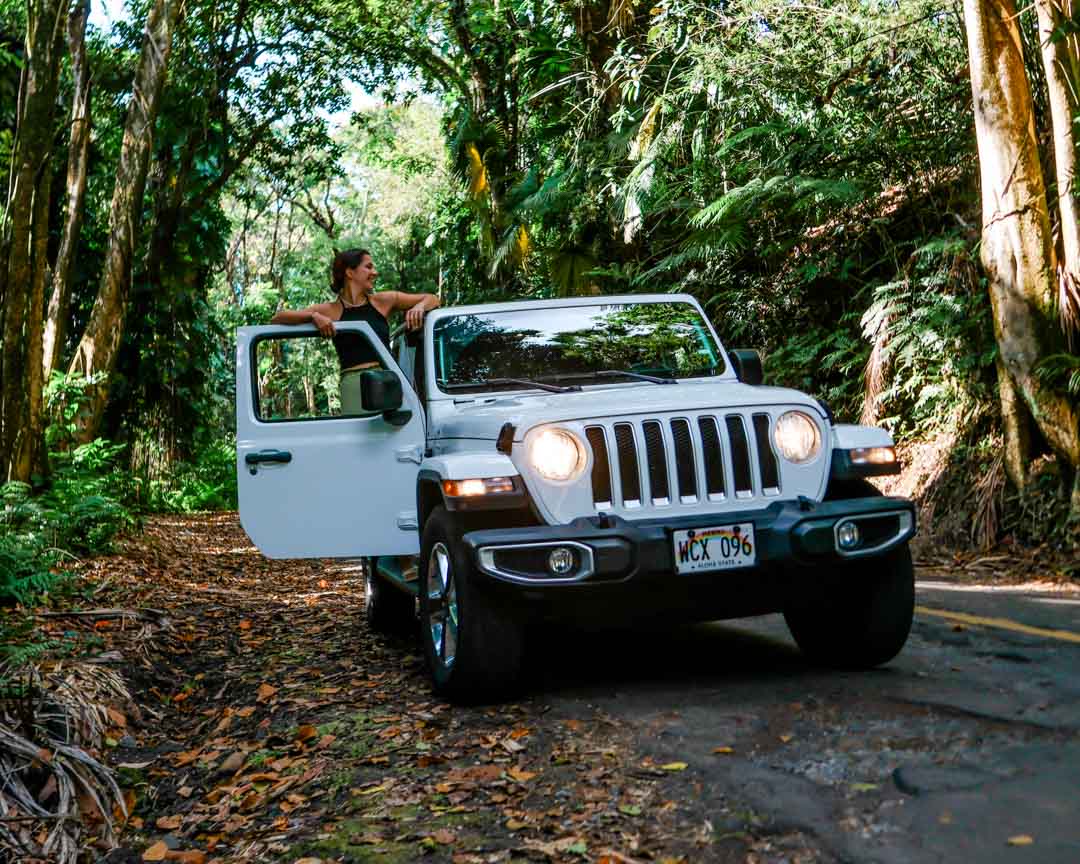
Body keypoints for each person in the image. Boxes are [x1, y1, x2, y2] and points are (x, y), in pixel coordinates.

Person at [271, 248, 440, 415]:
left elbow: (433, 299)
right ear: (350, 272)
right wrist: (313, 316)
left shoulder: (383, 301)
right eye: (368, 267)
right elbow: (277, 318)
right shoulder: (330, 310)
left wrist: (419, 306)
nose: (375, 272)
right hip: (352, 386)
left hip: (386, 380)